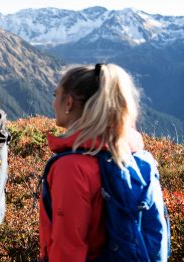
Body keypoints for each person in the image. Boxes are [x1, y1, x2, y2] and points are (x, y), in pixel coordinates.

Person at [39, 63, 146, 261]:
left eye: (56, 95)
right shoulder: (137, 156)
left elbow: (68, 250)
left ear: (69, 102)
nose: (54, 103)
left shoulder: (71, 168)